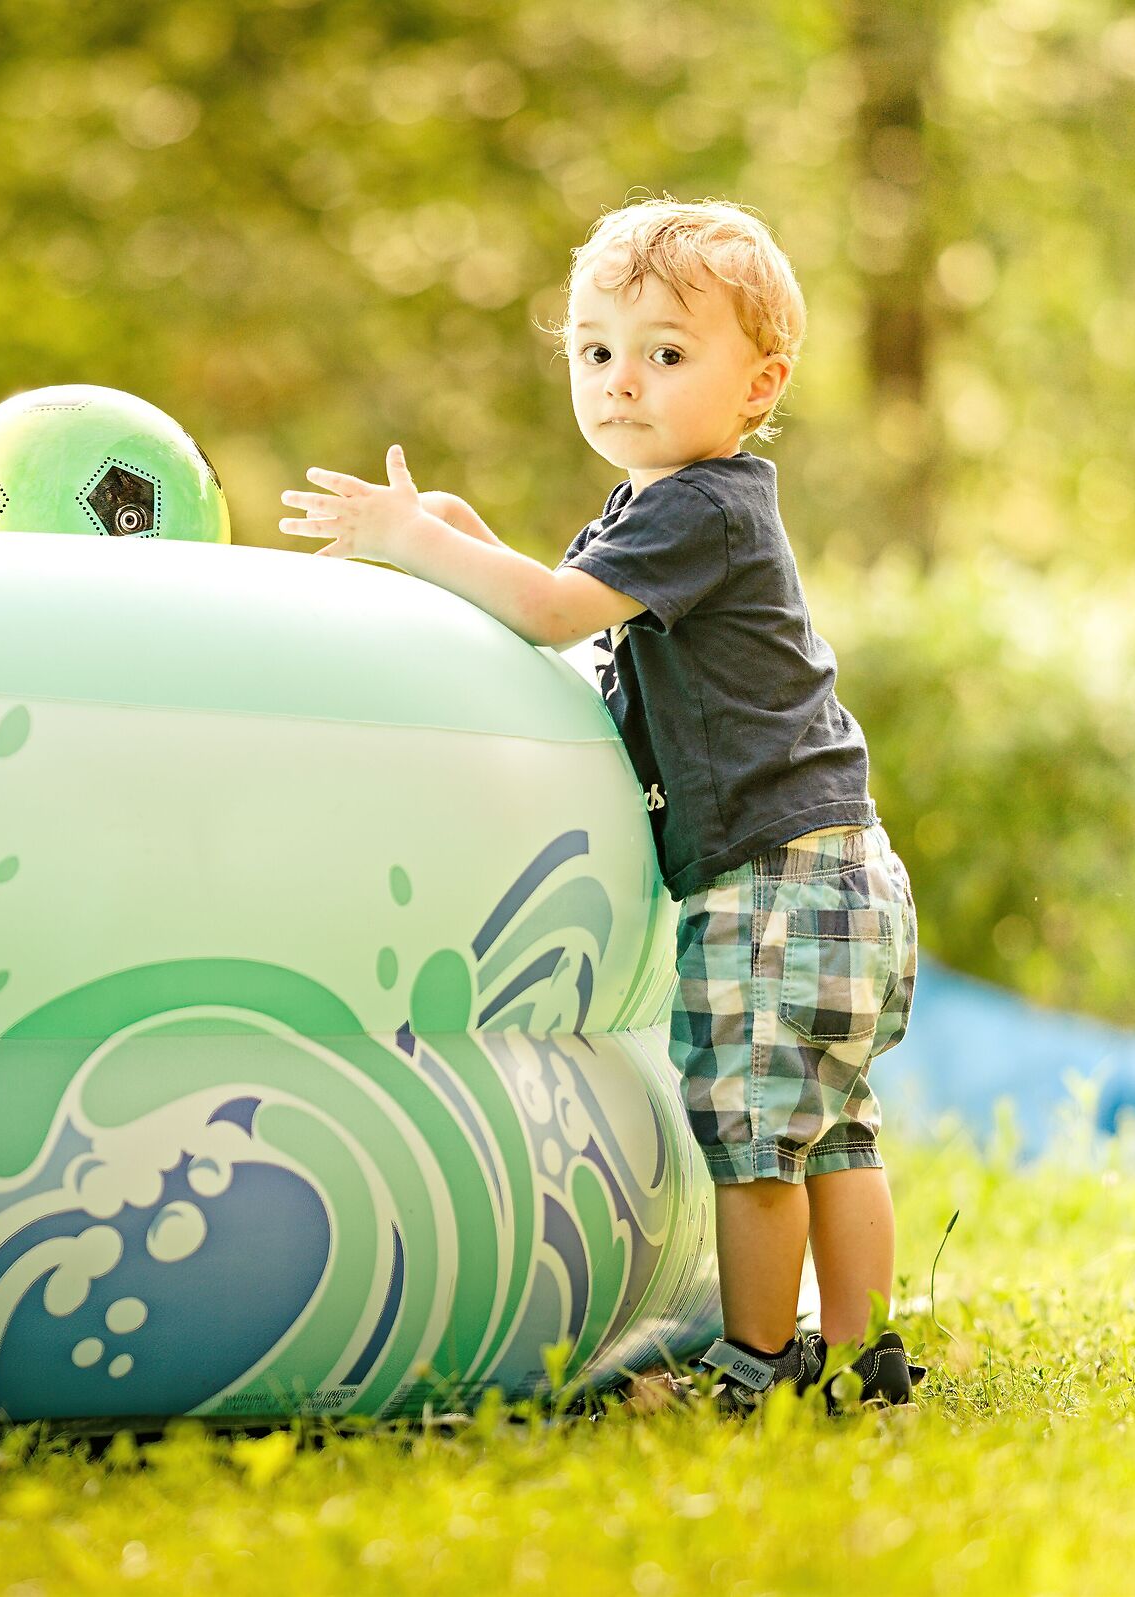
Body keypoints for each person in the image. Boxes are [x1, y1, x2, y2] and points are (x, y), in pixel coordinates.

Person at [278, 197, 922, 1413]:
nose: (622, 380)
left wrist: (412, 540)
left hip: (778, 879)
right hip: (839, 868)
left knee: (751, 1138)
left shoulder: (701, 504)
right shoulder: (674, 509)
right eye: (595, 350)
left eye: (666, 354)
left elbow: (557, 614)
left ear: (757, 381)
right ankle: (864, 1354)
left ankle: (757, 1366)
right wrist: (465, 534)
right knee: (832, 1131)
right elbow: (567, 587)